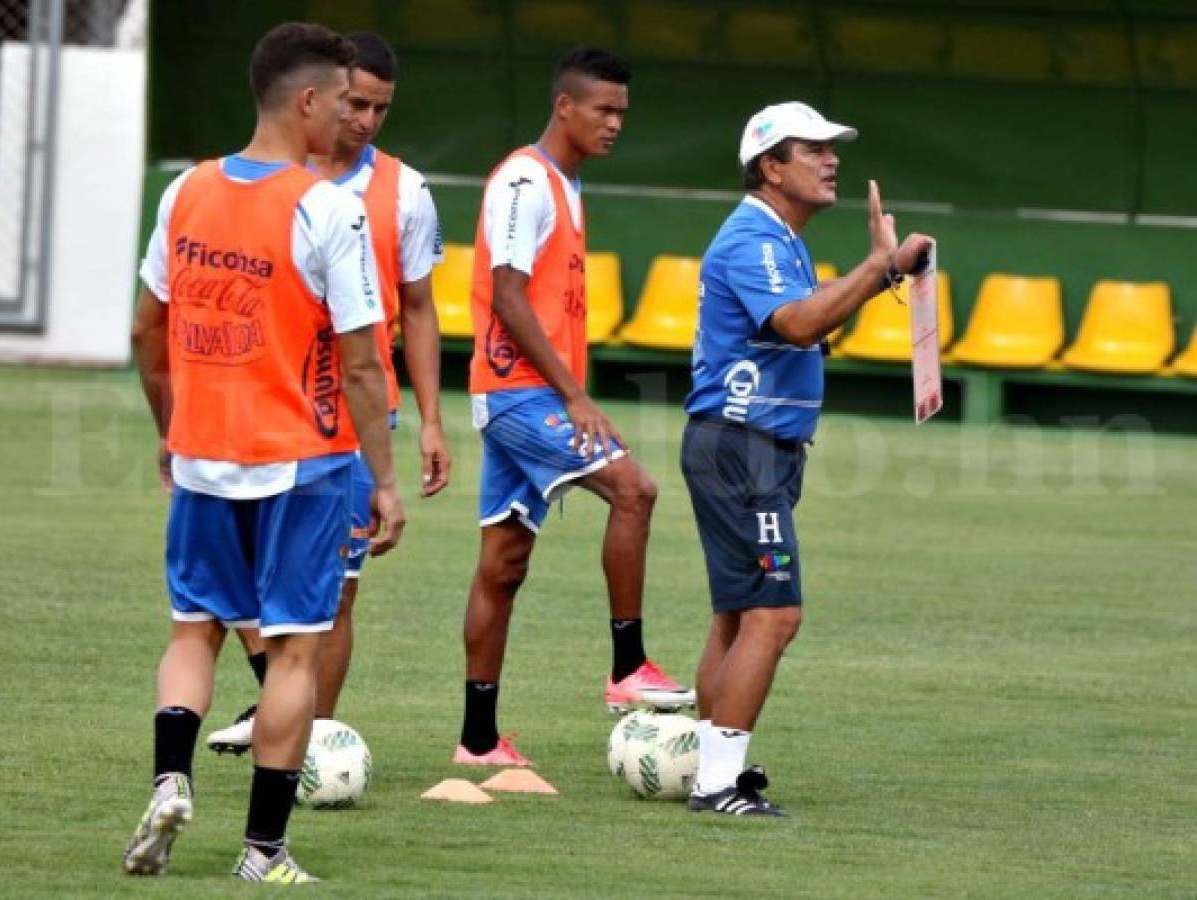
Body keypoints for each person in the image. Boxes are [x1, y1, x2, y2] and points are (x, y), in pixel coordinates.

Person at [123, 22, 404, 881]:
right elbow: (361, 361)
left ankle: (174, 777)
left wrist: (173, 426)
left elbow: (146, 328)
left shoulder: (185, 191)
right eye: (343, 100)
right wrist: (383, 482)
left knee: (193, 630)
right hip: (303, 462)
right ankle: (263, 853)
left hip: (203, 452)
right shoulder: (327, 207)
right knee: (292, 650)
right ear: (308, 100)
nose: (350, 119)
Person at [681, 102, 931, 816]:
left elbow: (808, 317)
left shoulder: (783, 240)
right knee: (774, 615)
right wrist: (879, 264)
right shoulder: (753, 237)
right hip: (741, 447)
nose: (831, 160)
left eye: (832, 148)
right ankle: (718, 784)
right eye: (812, 149)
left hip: (754, 446)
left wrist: (880, 274)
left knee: (736, 615)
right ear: (770, 167)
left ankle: (712, 767)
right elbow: (795, 325)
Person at [205, 30, 449, 756]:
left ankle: (307, 749)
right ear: (325, 95)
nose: (367, 120)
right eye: (357, 103)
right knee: (229, 577)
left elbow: (419, 309)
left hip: (350, 418)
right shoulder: (258, 177)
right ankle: (277, 705)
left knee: (332, 593)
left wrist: (432, 420)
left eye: (381, 108)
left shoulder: (404, 191)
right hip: (257, 405)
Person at [453, 46, 693, 769]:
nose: (615, 123)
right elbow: (506, 293)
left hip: (514, 393)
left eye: (622, 111)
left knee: (503, 564)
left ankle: (477, 740)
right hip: (521, 393)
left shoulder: (564, 184)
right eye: (603, 109)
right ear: (564, 106)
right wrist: (575, 395)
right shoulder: (526, 180)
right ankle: (628, 666)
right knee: (634, 489)